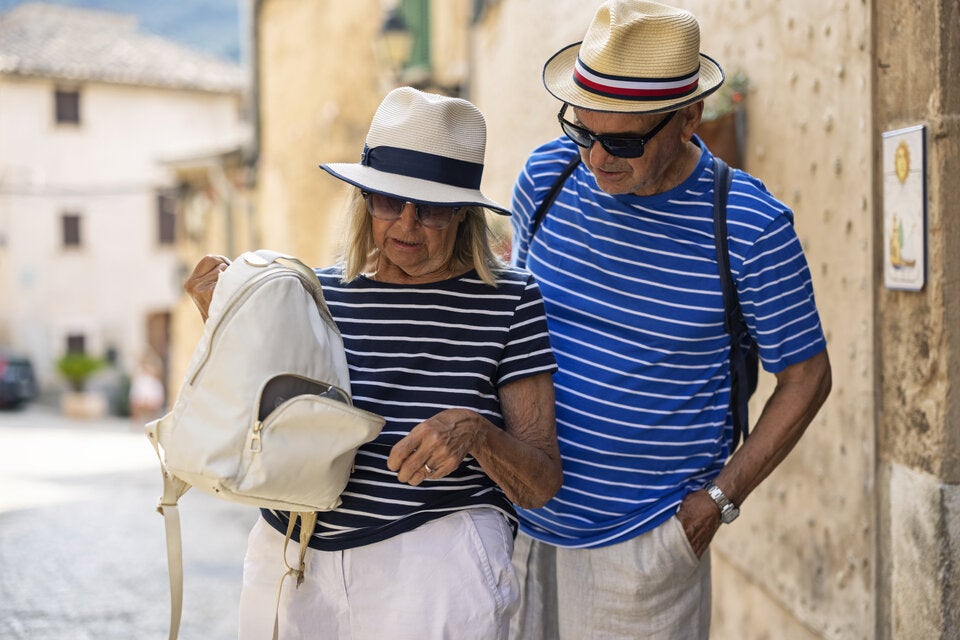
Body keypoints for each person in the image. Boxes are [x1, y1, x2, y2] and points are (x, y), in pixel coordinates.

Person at [185, 87, 562, 640]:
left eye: (430, 207)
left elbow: (541, 481)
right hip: (292, 555)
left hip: (436, 564)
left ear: (463, 212)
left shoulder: (509, 301)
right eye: (388, 201)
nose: (406, 225)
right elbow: (261, 424)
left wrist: (475, 434)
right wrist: (224, 328)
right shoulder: (313, 293)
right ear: (363, 199)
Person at [508, 2, 832, 639]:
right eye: (583, 131)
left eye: (624, 141)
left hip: (644, 550)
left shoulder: (748, 225)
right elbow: (517, 330)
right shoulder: (544, 178)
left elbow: (807, 376)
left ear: (690, 118)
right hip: (515, 527)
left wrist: (717, 502)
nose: (596, 160)